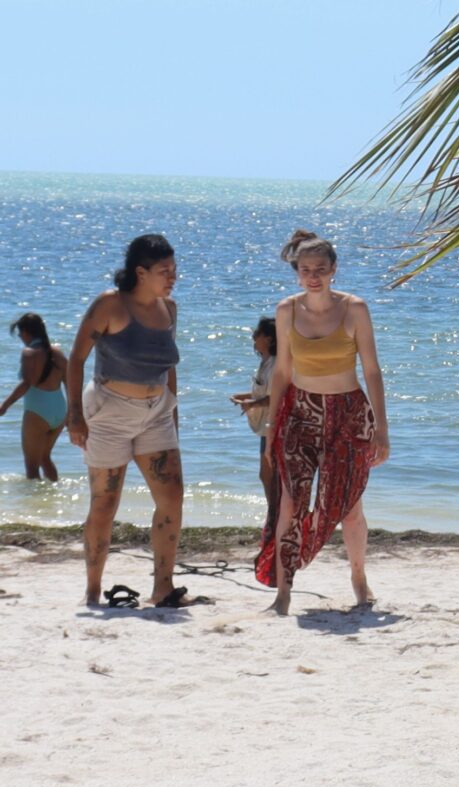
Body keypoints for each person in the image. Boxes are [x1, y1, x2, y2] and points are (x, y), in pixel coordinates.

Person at [64, 235, 199, 610]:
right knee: (105, 503)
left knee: (172, 498)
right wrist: (74, 414)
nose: (173, 277)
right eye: (164, 271)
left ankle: (163, 588)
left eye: (174, 269)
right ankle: (93, 588)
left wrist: (173, 411)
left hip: (156, 413)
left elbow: (169, 366)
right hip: (108, 413)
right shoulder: (110, 304)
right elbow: (76, 359)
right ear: (141, 272)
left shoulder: (169, 309)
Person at [261, 231, 391, 615]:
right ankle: (283, 592)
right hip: (299, 414)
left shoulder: (355, 309)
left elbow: (372, 370)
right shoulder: (286, 310)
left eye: (320, 269)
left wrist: (381, 428)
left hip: (349, 417)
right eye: (305, 270)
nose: (313, 276)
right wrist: (271, 426)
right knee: (290, 503)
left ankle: (358, 577)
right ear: (297, 273)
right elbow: (282, 372)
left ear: (333, 270)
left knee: (349, 506)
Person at [229, 317, 280, 541]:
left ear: (268, 338)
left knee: (269, 474)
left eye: (257, 334)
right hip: (265, 428)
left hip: (274, 427)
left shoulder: (277, 363)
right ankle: (275, 515)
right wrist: (247, 397)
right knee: (267, 475)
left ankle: (275, 517)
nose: (253, 338)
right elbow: (264, 393)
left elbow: (278, 397)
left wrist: (252, 403)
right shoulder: (267, 362)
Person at [3, 313, 68, 480]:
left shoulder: (29, 353)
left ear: (25, 332)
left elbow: (26, 384)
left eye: (19, 334)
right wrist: (73, 412)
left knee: (32, 468)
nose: (20, 338)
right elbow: (70, 381)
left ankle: (34, 505)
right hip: (60, 410)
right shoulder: (57, 352)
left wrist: (5, 406)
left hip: (38, 412)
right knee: (45, 458)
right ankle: (56, 495)